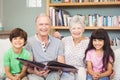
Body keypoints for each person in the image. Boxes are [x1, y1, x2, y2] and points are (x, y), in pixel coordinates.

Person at [25, 13, 65, 80]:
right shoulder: (29, 42)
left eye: (47, 24)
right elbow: (28, 67)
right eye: (41, 24)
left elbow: (61, 65)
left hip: (53, 73)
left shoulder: (58, 42)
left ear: (50, 26)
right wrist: (34, 72)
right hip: (35, 73)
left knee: (54, 76)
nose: (44, 27)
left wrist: (51, 69)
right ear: (36, 26)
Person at [54, 15, 90, 80]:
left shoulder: (89, 43)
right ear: (70, 30)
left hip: (81, 74)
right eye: (73, 28)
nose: (76, 31)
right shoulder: (64, 40)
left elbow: (91, 63)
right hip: (66, 73)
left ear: (83, 29)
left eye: (79, 28)